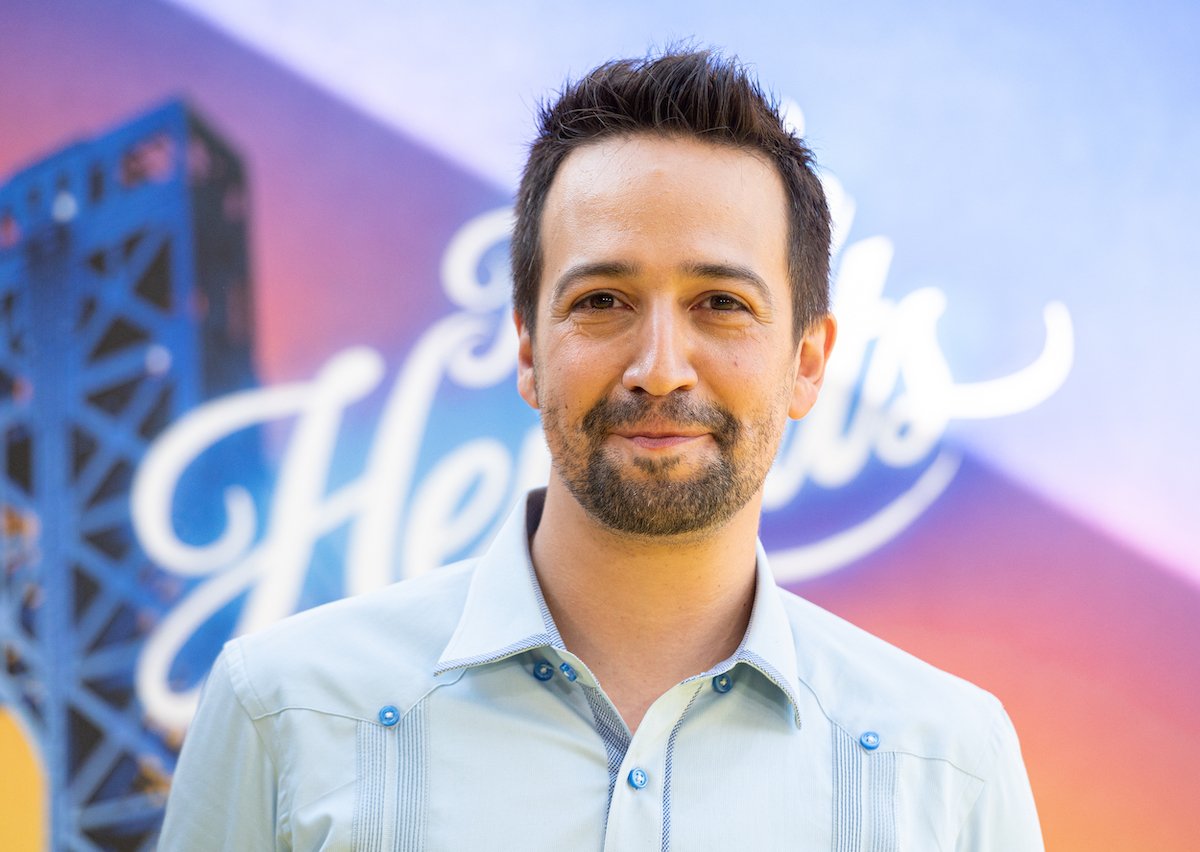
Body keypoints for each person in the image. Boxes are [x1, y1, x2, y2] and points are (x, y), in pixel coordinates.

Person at [160, 49, 1043, 850]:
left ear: (808, 362)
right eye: (603, 301)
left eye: (721, 304)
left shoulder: (950, 768)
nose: (659, 370)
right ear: (527, 350)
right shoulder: (282, 710)